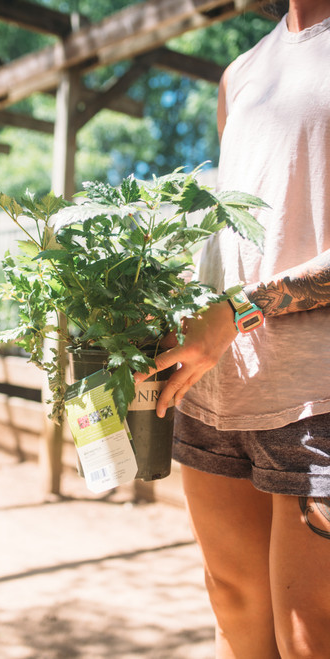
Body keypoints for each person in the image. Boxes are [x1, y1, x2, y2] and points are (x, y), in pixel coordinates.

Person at [134, 1, 330, 657]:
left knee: (311, 632)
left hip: (316, 398)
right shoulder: (241, 72)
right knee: (233, 611)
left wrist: (240, 309)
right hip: (217, 388)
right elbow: (240, 229)